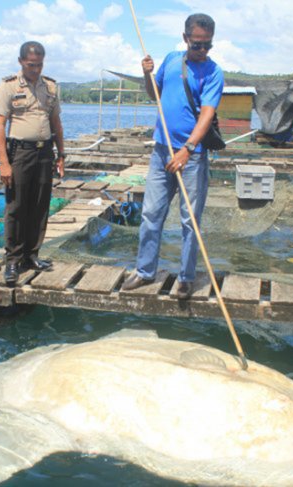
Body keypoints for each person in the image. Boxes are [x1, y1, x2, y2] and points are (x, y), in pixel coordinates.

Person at [121, 13, 224, 298]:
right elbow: (155, 94)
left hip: (192, 156)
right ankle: (144, 272)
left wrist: (187, 150)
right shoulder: (171, 60)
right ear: (185, 38)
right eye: (197, 44)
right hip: (160, 151)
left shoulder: (214, 73)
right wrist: (146, 74)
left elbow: (207, 113)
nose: (202, 50)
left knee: (190, 221)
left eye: (207, 45)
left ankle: (186, 277)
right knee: (151, 214)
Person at [0, 41, 65, 285]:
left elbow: (56, 123)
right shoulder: (8, 86)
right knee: (16, 206)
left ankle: (32, 255)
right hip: (20, 152)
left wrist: (61, 154)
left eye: (39, 64)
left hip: (44, 151)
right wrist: (4, 163)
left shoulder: (51, 87)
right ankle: (13, 260)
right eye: (31, 65)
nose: (35, 69)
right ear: (21, 62)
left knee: (39, 205)